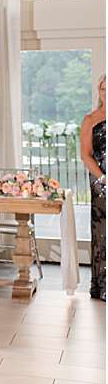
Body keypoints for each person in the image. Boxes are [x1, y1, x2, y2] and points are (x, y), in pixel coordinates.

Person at [81, 75, 105, 300]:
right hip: (101, 182)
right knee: (102, 232)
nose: (106, 93)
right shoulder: (91, 119)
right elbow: (86, 155)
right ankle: (103, 284)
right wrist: (103, 178)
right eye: (103, 89)